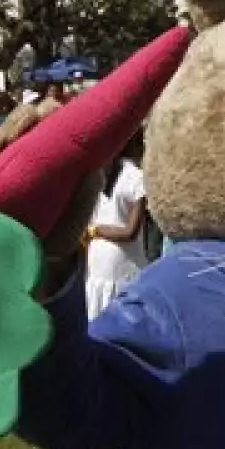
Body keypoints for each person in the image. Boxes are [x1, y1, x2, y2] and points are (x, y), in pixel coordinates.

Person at [84, 133, 149, 319]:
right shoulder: (98, 175)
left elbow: (130, 232)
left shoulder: (133, 178)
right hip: (101, 268)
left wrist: (96, 231)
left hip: (119, 269)